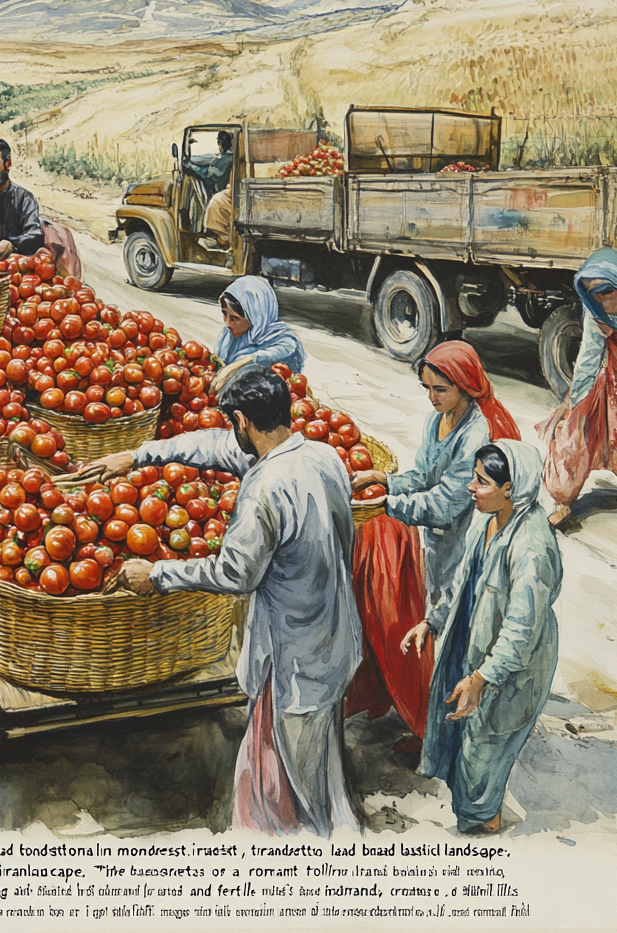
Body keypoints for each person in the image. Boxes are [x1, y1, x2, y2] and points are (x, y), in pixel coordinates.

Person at [94, 368, 362, 837]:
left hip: (292, 651)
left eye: (232, 424)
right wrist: (138, 456)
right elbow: (212, 447)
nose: (230, 434)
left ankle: (314, 866)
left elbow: (234, 574)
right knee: (320, 760)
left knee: (298, 779)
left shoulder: (265, 487)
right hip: (333, 631)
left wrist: (156, 574)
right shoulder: (321, 455)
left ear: (243, 420)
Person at [401, 441, 562, 834]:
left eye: (482, 481)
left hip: (511, 667)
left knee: (483, 747)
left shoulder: (532, 547)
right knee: (464, 738)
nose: (471, 488)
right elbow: (461, 584)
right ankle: (476, 813)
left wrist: (480, 678)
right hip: (475, 645)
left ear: (510, 488)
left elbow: (521, 631)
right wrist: (433, 621)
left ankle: (482, 825)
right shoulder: (489, 521)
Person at [352, 341, 521, 610]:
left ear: (464, 386)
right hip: (437, 538)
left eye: (440, 389)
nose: (432, 397)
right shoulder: (436, 420)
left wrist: (387, 504)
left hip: (464, 539)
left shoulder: (475, 435)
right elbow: (423, 475)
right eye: (427, 388)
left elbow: (446, 506)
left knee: (454, 606)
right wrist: (386, 481)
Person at [537, 247, 617, 527]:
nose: (601, 299)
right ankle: (563, 499)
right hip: (616, 383)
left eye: (607, 290)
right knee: (576, 430)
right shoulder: (594, 311)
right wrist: (574, 401)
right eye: (593, 293)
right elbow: (588, 356)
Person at [210, 277, 306, 393]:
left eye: (235, 318)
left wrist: (238, 365)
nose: (227, 322)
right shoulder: (227, 336)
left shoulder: (283, 339)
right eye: (224, 313)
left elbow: (276, 352)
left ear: (254, 316)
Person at [185, 131, 234, 247]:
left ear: (220, 144)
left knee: (210, 200)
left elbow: (209, 174)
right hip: (227, 188)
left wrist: (190, 166)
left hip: (225, 190)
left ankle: (214, 233)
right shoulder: (228, 157)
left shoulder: (226, 159)